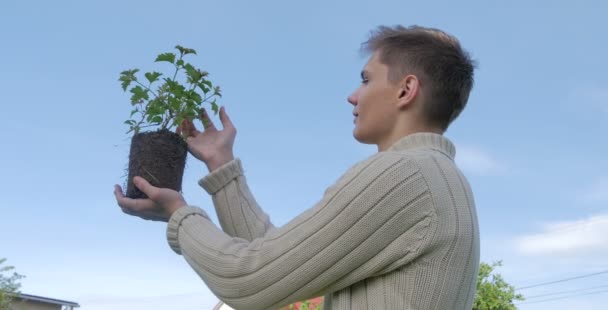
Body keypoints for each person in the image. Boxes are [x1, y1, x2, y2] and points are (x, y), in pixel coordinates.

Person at [115, 25, 480, 310]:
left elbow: (251, 280)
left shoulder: (405, 175)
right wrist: (221, 165)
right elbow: (279, 260)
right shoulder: (437, 180)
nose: (352, 95)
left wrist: (178, 214)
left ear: (406, 90)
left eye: (366, 79)